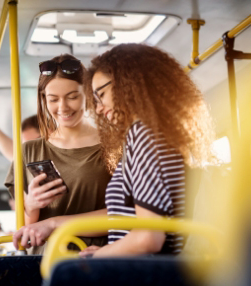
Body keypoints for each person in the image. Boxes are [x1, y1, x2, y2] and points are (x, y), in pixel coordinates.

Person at [79, 43, 215, 257]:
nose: (98, 108)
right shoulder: (163, 133)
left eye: (101, 94)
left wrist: (98, 257)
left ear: (127, 83)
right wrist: (109, 250)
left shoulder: (145, 134)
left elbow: (148, 238)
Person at [5, 54, 111, 254]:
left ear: (88, 94)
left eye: (72, 97)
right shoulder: (29, 151)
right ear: (44, 99)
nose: (62, 107)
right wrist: (31, 205)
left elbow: (126, 216)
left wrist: (55, 223)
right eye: (53, 99)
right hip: (45, 261)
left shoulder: (113, 144)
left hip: (96, 259)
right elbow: (25, 228)